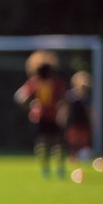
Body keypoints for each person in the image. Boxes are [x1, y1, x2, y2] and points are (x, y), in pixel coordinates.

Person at [15, 51, 67, 179]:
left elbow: (19, 97)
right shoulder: (54, 82)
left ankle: (46, 168)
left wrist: (31, 107)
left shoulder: (35, 82)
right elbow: (64, 99)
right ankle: (57, 168)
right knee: (55, 143)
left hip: (43, 117)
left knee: (44, 143)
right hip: (50, 116)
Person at [61, 71, 93, 178]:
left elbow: (89, 111)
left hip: (83, 124)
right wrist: (62, 117)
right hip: (73, 123)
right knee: (73, 143)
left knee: (83, 143)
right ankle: (73, 160)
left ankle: (82, 160)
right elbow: (65, 108)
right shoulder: (70, 95)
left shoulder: (87, 97)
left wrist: (93, 121)